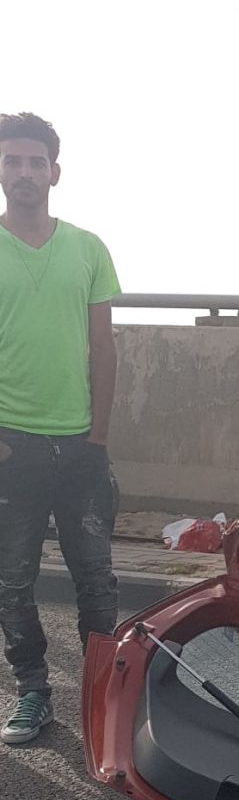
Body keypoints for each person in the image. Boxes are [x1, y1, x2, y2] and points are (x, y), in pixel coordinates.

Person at [0, 112, 120, 745]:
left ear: (54, 173)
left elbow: (103, 348)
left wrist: (97, 438)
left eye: (35, 162)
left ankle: (105, 699)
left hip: (79, 446)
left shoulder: (88, 248)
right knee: (11, 582)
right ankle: (34, 693)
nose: (24, 172)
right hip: (9, 446)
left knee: (96, 581)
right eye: (12, 161)